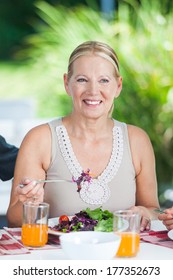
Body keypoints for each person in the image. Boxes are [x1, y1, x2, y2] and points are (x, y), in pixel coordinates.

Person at [7, 40, 160, 230]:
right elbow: (14, 221)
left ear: (118, 86)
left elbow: (154, 210)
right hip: (58, 257)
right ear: (66, 83)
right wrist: (27, 204)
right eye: (82, 80)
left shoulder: (137, 141)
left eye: (104, 80)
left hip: (125, 255)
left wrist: (145, 213)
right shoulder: (40, 140)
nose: (93, 91)